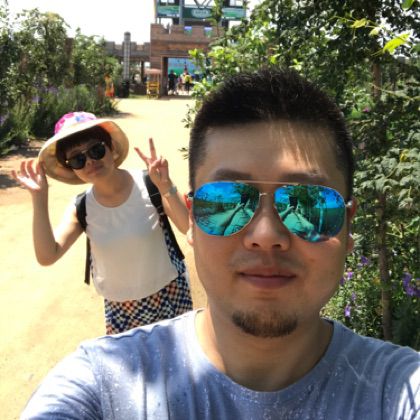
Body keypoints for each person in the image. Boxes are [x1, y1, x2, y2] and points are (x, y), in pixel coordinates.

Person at [21, 70, 419, 419]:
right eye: (227, 202)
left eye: (309, 204)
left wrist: (164, 187)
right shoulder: (104, 379)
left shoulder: (399, 389)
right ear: (197, 220)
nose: (266, 235)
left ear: (348, 224)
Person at [12, 111, 193, 334]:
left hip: (169, 295)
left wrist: (165, 186)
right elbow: (48, 255)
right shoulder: (81, 207)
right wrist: (39, 199)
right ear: (71, 168)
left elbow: (188, 228)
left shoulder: (149, 183)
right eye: (77, 159)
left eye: (96, 150)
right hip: (120, 309)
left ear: (112, 148)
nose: (90, 161)